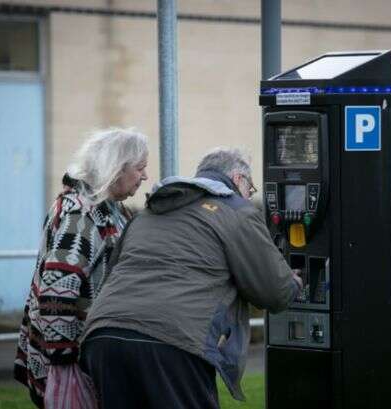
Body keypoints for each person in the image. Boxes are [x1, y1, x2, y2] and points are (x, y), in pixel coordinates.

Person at [79, 147, 302, 409]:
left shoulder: (147, 214)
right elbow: (274, 291)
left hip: (103, 337)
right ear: (238, 179)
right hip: (171, 340)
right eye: (249, 188)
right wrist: (294, 283)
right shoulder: (236, 211)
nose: (247, 195)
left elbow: (114, 273)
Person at [13, 128, 149, 408]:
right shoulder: (81, 213)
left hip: (87, 352)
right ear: (116, 168)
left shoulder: (109, 208)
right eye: (140, 168)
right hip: (73, 359)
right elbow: (56, 291)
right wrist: (64, 363)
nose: (145, 177)